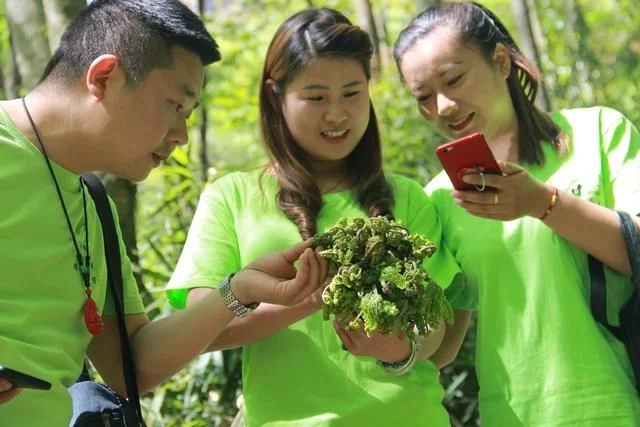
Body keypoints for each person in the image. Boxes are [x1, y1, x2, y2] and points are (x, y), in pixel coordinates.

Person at [0, 1, 330, 425]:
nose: (183, 137)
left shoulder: (92, 206)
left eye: (190, 116)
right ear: (103, 77)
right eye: (175, 105)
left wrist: (240, 290)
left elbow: (131, 367)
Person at [166, 7, 474, 427]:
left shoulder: (407, 197)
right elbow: (201, 327)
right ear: (276, 98)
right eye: (315, 98)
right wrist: (308, 298)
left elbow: (436, 322)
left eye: (351, 93)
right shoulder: (232, 197)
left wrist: (398, 350)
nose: (336, 114)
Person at [393, 1, 640, 426]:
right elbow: (443, 343)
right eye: (424, 98)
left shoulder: (598, 132)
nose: (444, 106)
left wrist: (542, 203)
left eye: (454, 79)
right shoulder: (438, 199)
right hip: (509, 416)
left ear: (502, 61)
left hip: (618, 406)